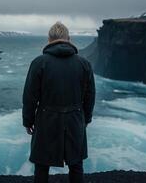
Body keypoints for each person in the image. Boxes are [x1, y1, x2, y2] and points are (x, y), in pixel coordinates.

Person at [22, 21, 95, 183]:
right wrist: (86, 119)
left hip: (46, 119)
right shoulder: (84, 64)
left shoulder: (39, 63)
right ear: (69, 39)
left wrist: (28, 120)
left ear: (49, 39)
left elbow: (29, 96)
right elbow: (90, 96)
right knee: (76, 164)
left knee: (41, 165)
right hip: (75, 118)